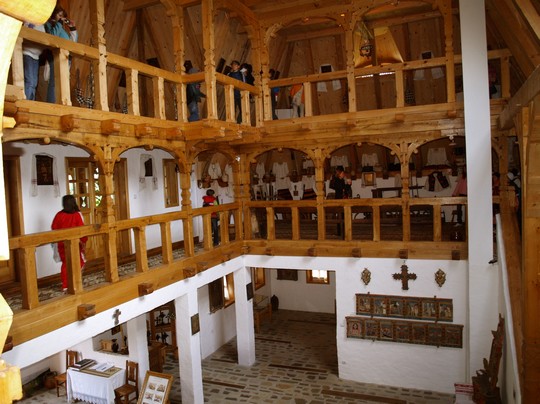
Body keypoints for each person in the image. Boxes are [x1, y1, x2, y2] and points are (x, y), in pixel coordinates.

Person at [51, 195, 87, 292]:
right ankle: (75, 281)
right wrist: (83, 241)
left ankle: (65, 285)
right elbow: (82, 229)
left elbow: (54, 228)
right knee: (79, 262)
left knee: (66, 264)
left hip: (61, 244)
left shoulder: (59, 215)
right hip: (75, 243)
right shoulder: (76, 215)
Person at [44, 4, 78, 103]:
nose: (61, 18)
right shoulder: (49, 24)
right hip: (55, 56)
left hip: (66, 57)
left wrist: (72, 29)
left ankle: (60, 104)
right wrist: (59, 23)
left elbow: (73, 44)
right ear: (53, 14)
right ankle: (51, 105)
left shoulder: (62, 29)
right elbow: (53, 36)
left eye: (62, 16)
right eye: (59, 15)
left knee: (64, 83)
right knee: (54, 82)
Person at [22, 22, 46, 100]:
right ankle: (26, 101)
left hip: (36, 56)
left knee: (34, 82)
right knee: (30, 81)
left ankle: (31, 101)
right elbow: (26, 34)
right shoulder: (29, 22)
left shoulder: (42, 25)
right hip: (27, 53)